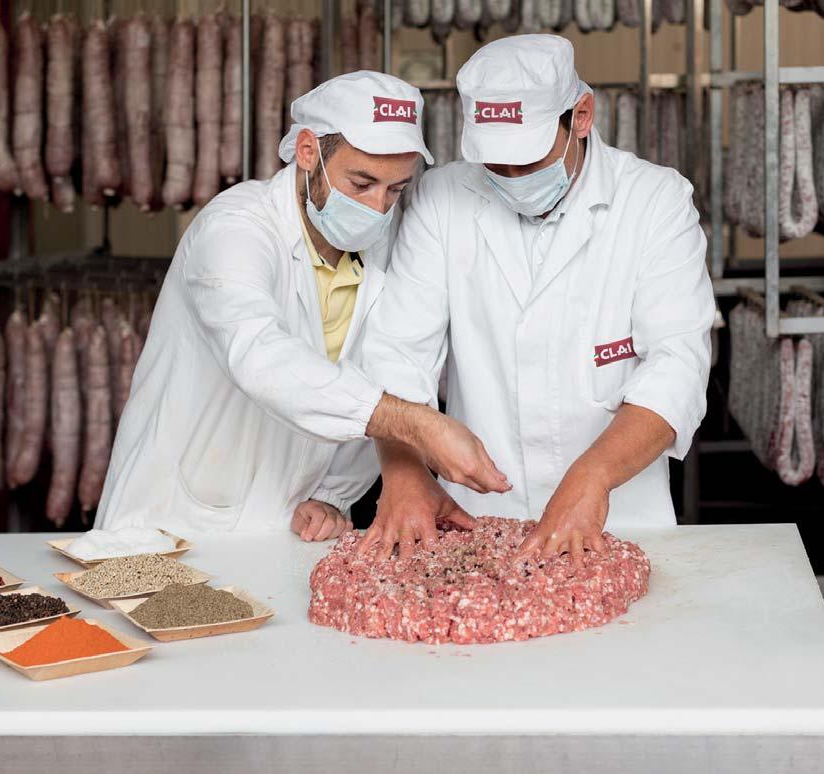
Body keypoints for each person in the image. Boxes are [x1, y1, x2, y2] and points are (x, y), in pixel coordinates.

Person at [95, 72, 508, 540]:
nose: (377, 207)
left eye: (395, 190)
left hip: (286, 527)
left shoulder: (384, 241)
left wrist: (332, 494)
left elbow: (381, 368)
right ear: (309, 152)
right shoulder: (235, 228)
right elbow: (259, 355)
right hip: (172, 520)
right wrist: (415, 424)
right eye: (361, 183)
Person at [355, 35, 716, 561]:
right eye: (494, 164)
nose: (510, 178)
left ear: (582, 116)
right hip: (474, 519)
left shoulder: (655, 201)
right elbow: (397, 353)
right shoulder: (443, 198)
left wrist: (594, 476)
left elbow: (678, 367)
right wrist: (404, 472)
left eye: (527, 160)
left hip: (621, 516)